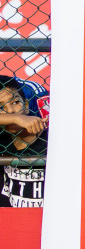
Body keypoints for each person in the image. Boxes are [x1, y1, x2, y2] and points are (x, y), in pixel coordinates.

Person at [0, 76, 47, 208]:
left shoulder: (52, 140)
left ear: (26, 106)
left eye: (15, 102)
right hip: (9, 217)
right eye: (1, 107)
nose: (10, 111)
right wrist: (15, 118)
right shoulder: (3, 139)